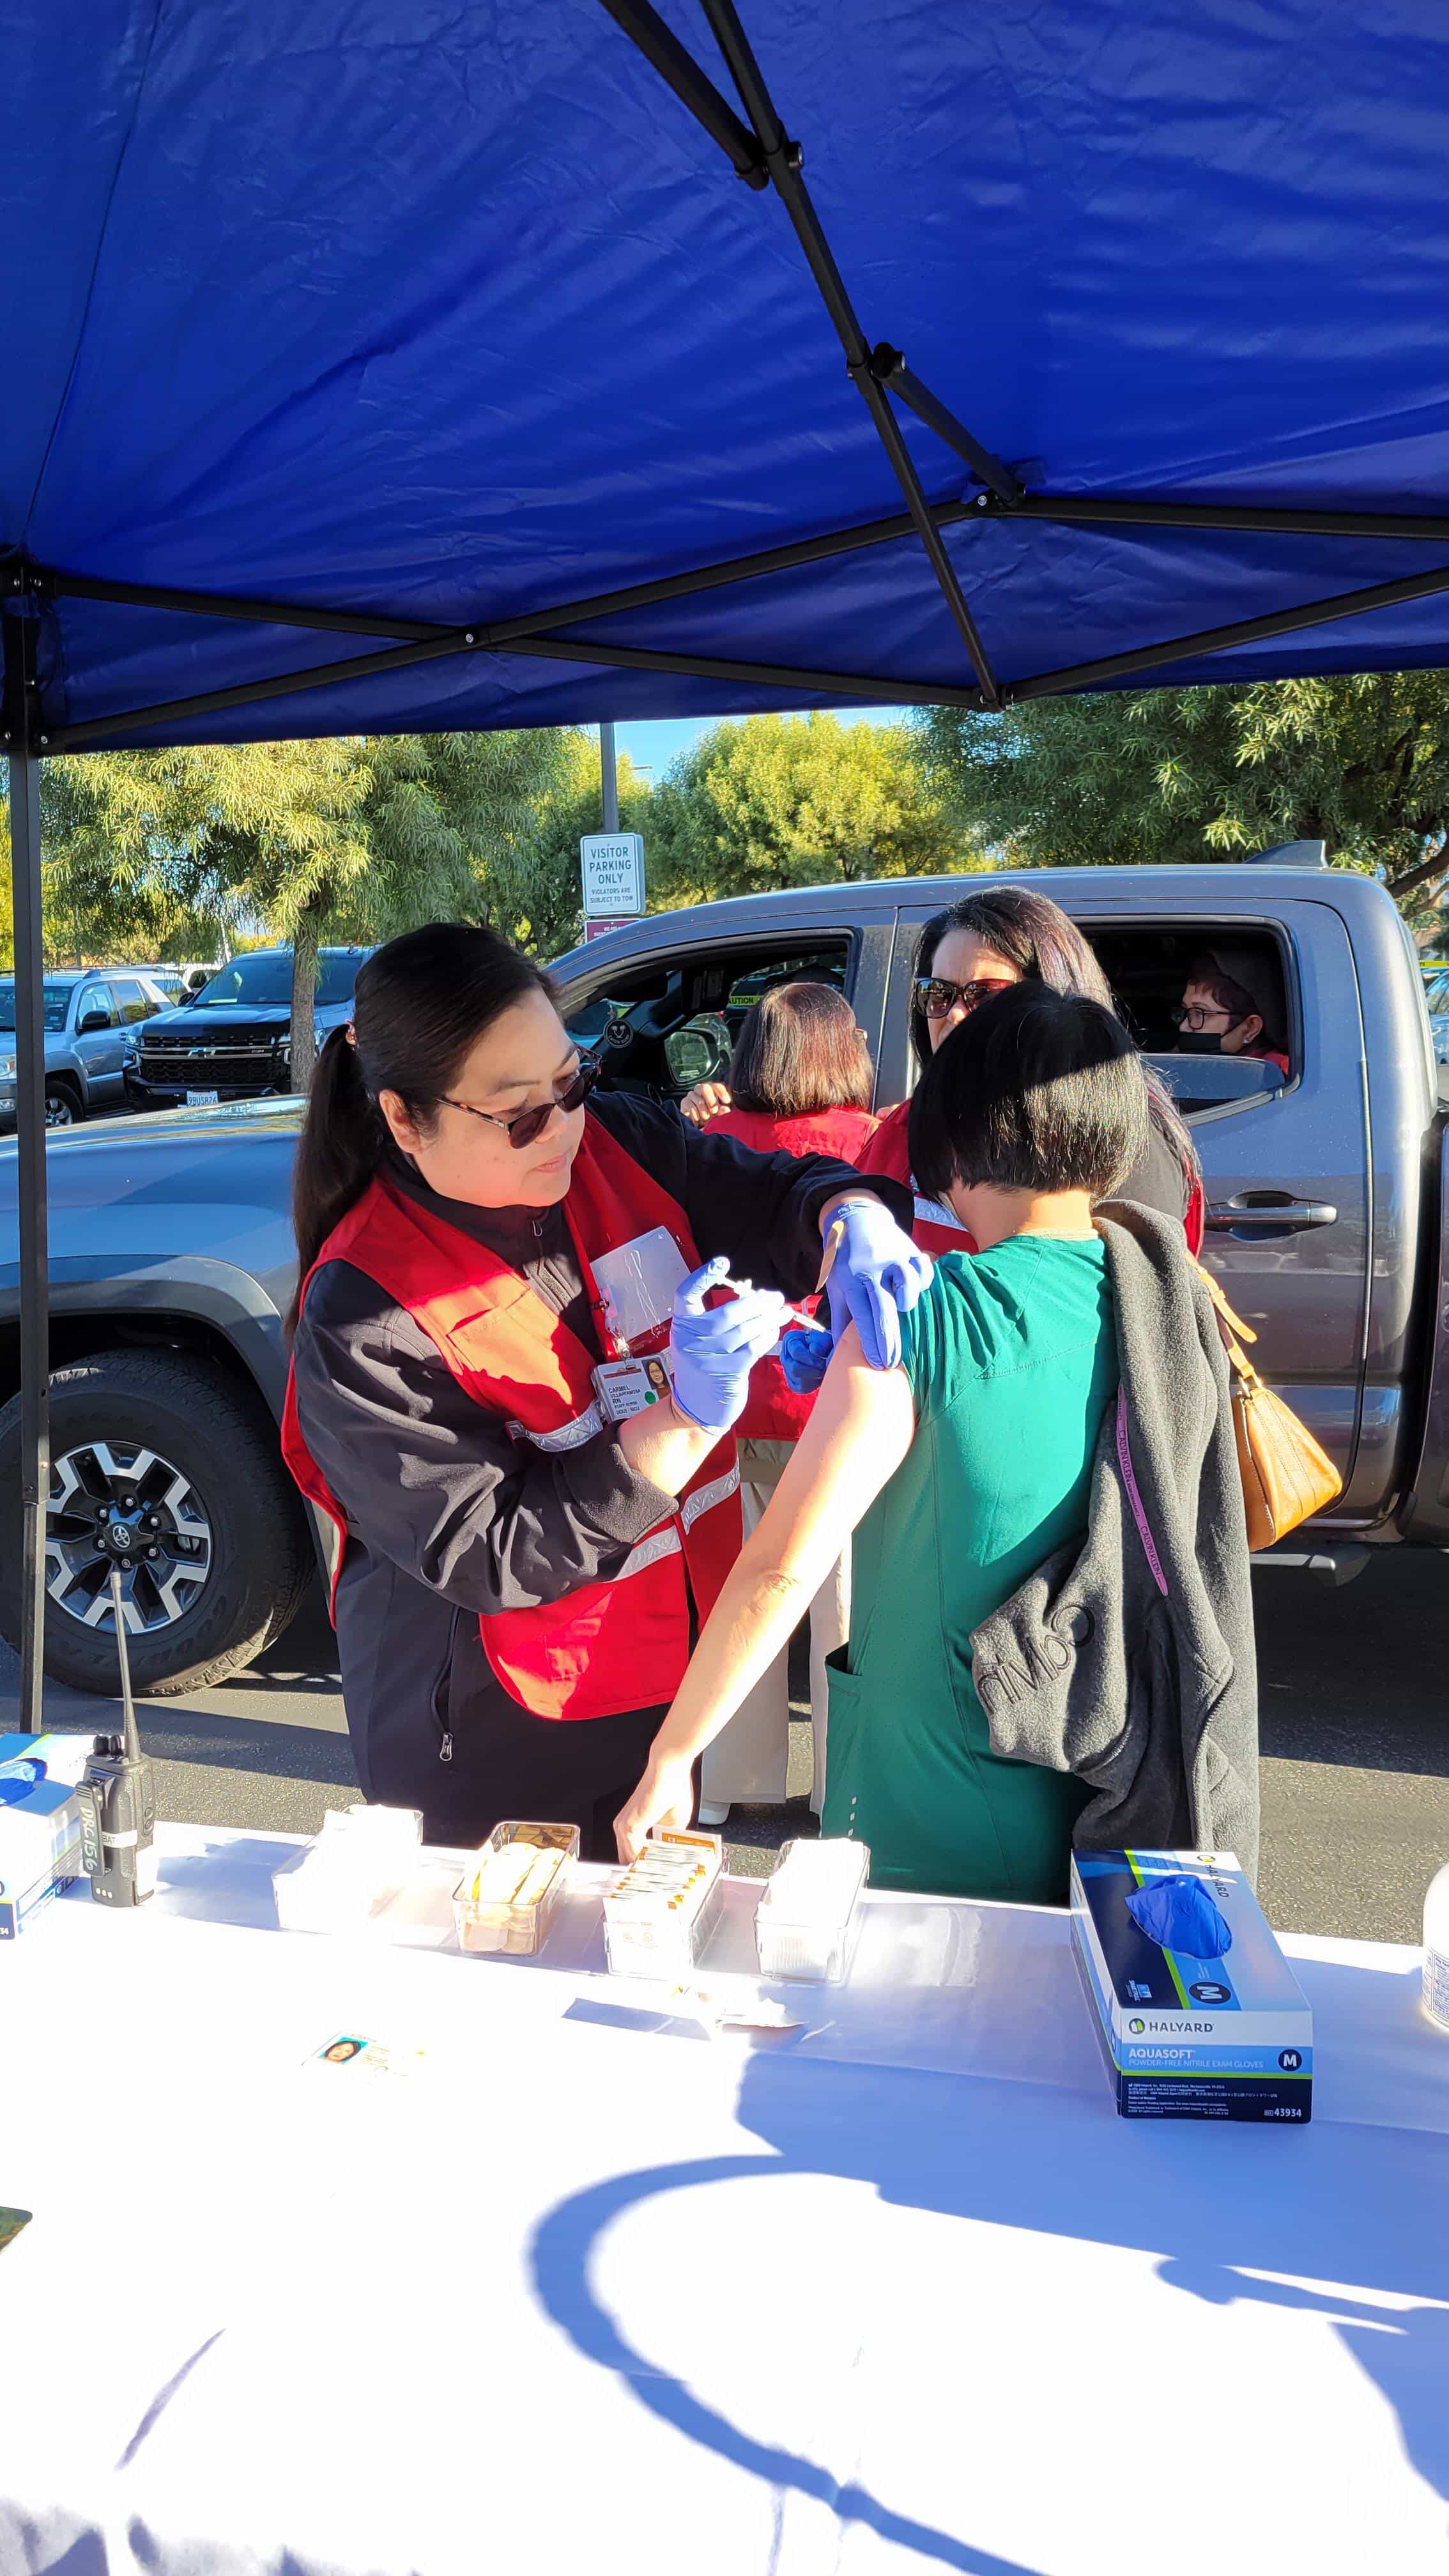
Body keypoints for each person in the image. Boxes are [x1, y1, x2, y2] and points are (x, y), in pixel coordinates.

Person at [282, 923, 927, 1859]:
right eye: (520, 1115)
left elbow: (771, 1190)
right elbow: (491, 1550)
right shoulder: (364, 1311)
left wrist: (849, 1213)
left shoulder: (616, 1141)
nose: (564, 1128)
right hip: (491, 1730)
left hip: (666, 1671)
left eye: (570, 1084)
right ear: (403, 1118)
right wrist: (676, 1420)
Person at [617, 983, 1256, 1901]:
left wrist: (673, 1756)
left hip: (939, 1795)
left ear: (951, 1144)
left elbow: (781, 1569)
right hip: (1100, 1762)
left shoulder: (927, 1318)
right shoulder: (1161, 1291)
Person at [689, 981, 878, 1820]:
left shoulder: (706, 1142)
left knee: (740, 1601)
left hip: (729, 1416)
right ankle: (843, 1794)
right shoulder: (878, 1144)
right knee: (843, 1615)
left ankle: (731, 1786)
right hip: (841, 1416)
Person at [855, 886, 1206, 1257]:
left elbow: (1128, 1302)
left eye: (985, 994)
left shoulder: (1117, 1134)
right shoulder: (905, 1129)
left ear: (1056, 1002)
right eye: (940, 993)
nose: (955, 1015)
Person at [1174, 949, 1290, 1077]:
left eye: (1200, 1013)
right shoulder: (1185, 1062)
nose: (1183, 1026)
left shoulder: (1276, 1077)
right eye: (1186, 1011)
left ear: (1251, 1028)